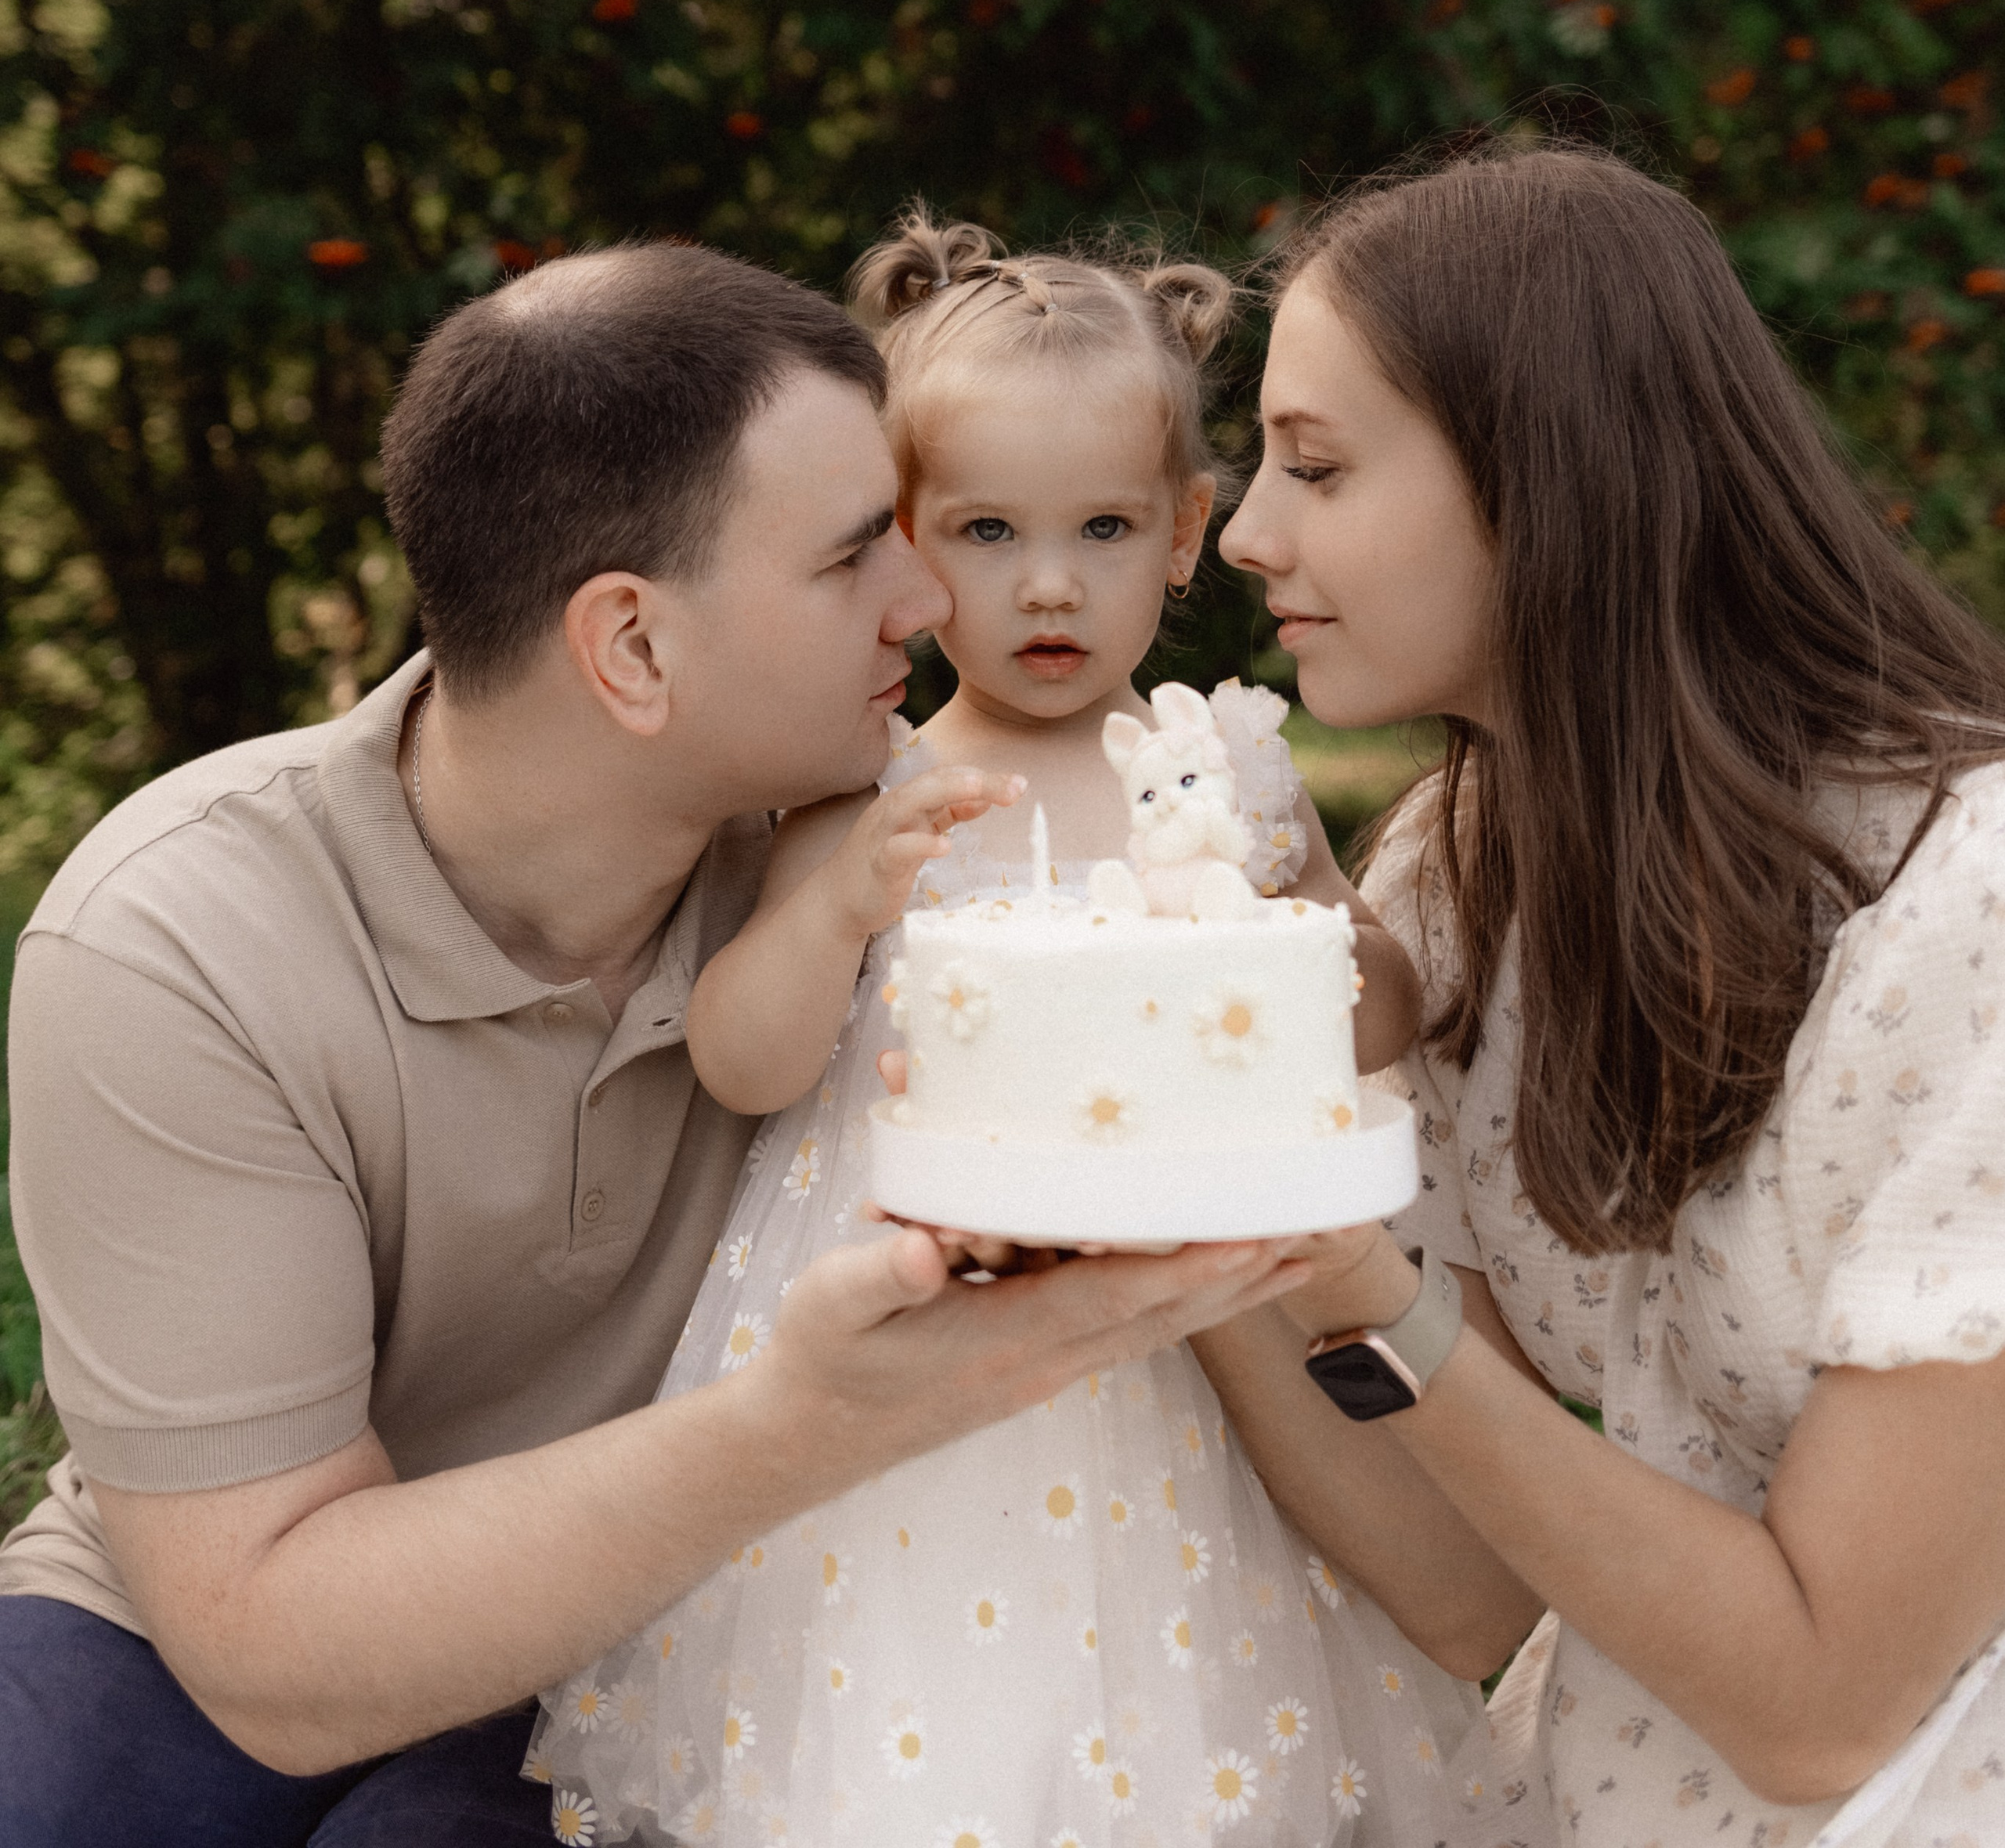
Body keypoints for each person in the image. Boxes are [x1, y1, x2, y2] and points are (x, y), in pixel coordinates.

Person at [0, 240, 1311, 1848]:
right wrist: (810, 1419)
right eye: (856, 555)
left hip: (664, 1637)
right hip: (203, 1650)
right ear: (630, 648)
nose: (927, 604)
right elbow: (268, 1647)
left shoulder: (910, 869)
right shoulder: (181, 938)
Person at [531, 215, 1474, 1847]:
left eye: (1104, 527)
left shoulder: (1224, 775)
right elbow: (745, 1062)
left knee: (1176, 1699)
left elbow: (1380, 1004)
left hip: (1186, 1357)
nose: (1048, 583)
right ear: (904, 544)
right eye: (983, 530)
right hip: (917, 1348)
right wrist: (838, 910)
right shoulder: (868, 789)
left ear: (1184, 534)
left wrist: (1281, 932)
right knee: (926, 1721)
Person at [1191, 143, 2005, 1848]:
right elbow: (1467, 1582)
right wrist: (1178, 1173)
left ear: (1546, 477)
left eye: (1315, 465)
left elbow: (1823, 1706)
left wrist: (1356, 1279)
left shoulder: (1971, 908)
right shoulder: (1453, 880)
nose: (1246, 533)